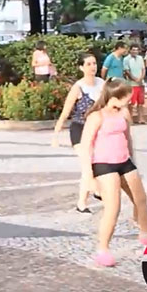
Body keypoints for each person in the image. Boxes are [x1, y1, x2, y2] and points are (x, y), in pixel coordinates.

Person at [80, 80, 147, 267]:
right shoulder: (96, 117)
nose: (130, 99)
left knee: (141, 199)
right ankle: (103, 249)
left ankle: (146, 236)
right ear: (115, 97)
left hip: (124, 161)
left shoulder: (124, 113)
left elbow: (127, 138)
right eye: (127, 96)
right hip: (104, 165)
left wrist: (133, 162)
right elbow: (86, 146)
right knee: (113, 208)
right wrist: (89, 177)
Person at [53, 53, 105, 212]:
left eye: (94, 63)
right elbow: (66, 111)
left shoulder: (102, 84)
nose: (92, 67)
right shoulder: (78, 87)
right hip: (79, 129)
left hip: (97, 129)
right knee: (87, 166)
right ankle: (82, 203)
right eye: (88, 64)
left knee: (98, 163)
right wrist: (56, 133)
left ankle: (96, 190)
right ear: (81, 67)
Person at [123, 44, 146, 124]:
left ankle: (141, 118)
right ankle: (130, 119)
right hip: (132, 84)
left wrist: (141, 78)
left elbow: (143, 69)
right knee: (131, 103)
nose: (135, 51)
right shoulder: (126, 59)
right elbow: (127, 71)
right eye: (133, 50)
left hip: (140, 83)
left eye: (136, 50)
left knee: (141, 102)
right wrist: (135, 79)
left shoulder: (140, 58)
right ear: (130, 50)